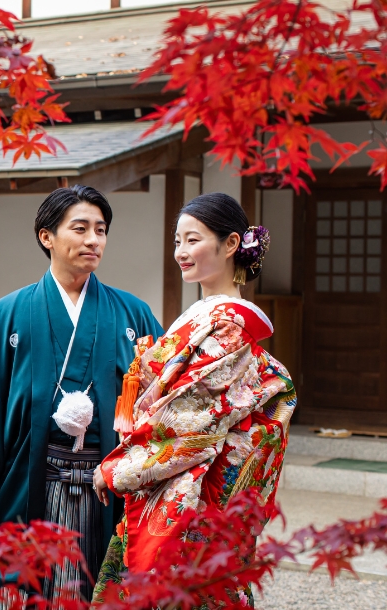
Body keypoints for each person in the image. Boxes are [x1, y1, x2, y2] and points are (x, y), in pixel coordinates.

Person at [0, 185, 163, 602]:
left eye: (101, 230)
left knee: (99, 592)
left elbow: (161, 407)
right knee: (25, 593)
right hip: (27, 486)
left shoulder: (134, 315)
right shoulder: (5, 317)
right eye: (81, 229)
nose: (93, 240)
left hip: (107, 489)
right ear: (46, 236)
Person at [91, 193, 297, 603]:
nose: (180, 252)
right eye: (177, 241)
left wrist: (118, 469)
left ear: (232, 244)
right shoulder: (205, 316)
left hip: (194, 496)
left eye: (193, 240)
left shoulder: (230, 327)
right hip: (178, 487)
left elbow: (191, 421)